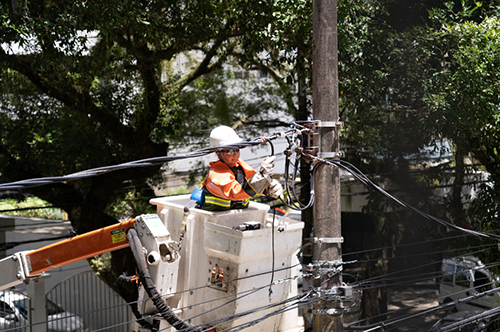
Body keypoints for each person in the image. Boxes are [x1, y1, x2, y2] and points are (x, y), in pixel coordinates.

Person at [199, 125, 283, 211]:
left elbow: (253, 180)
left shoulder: (239, 164)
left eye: (237, 149)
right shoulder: (216, 172)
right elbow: (236, 192)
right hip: (212, 220)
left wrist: (268, 187)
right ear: (218, 153)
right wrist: (261, 178)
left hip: (237, 218)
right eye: (230, 151)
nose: (235, 154)